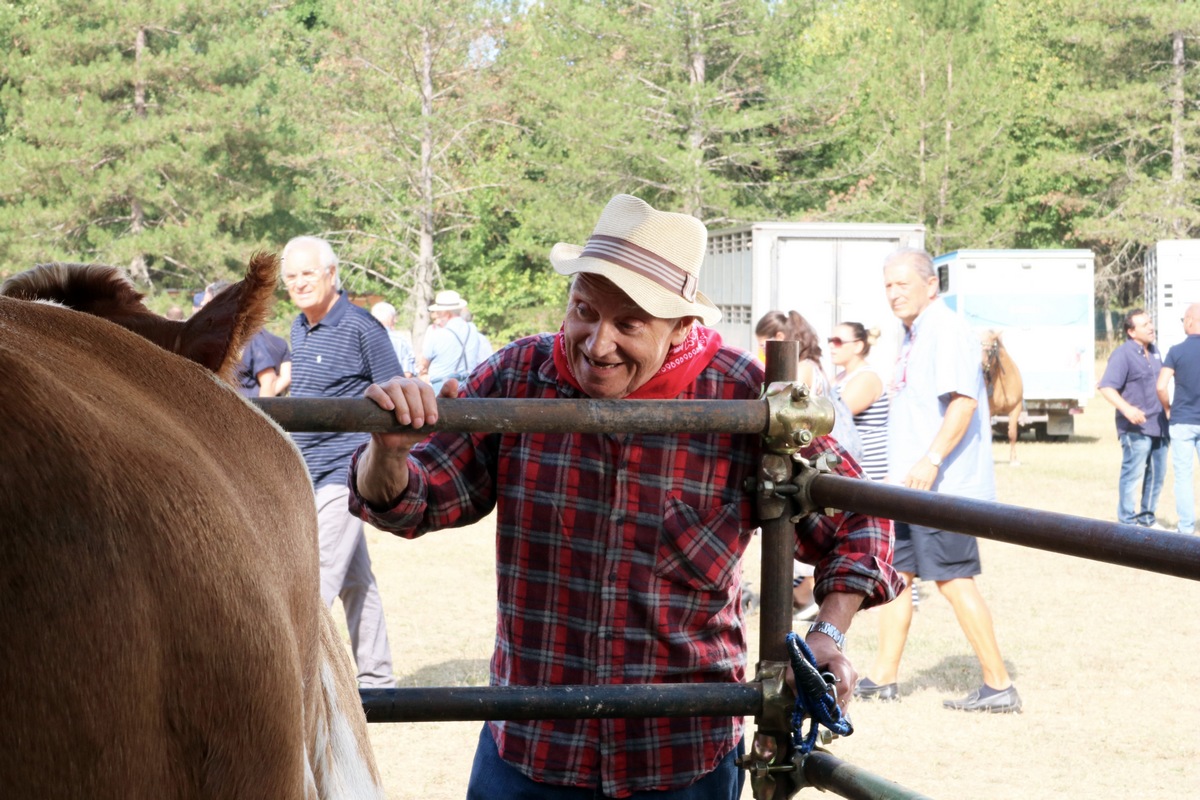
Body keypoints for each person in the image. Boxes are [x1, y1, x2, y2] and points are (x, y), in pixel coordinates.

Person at [350, 194, 901, 798]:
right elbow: (415, 501)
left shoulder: (747, 399)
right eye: (584, 309)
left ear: (682, 327)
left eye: (630, 324)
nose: (597, 342)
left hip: (677, 756)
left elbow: (860, 516)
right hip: (532, 750)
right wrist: (391, 451)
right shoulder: (518, 376)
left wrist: (829, 633)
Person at [854, 247, 1021, 714]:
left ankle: (999, 684)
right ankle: (882, 678)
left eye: (902, 284)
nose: (893, 293)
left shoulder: (945, 330)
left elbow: (964, 403)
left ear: (931, 286)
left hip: (943, 486)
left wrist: (930, 459)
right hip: (907, 488)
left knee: (953, 581)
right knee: (896, 577)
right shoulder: (912, 334)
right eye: (888, 285)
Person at [282, 235, 399, 689]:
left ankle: (297, 681)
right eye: (291, 277)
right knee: (356, 579)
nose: (299, 283)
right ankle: (377, 680)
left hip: (345, 472)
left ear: (332, 275)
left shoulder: (362, 327)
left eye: (308, 273)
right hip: (305, 471)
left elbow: (396, 391)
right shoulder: (297, 327)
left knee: (316, 580)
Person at [1098, 308, 1168, 529]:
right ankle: (1127, 524)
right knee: (1133, 474)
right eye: (1145, 324)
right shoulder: (1122, 354)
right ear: (1131, 331)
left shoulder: (1155, 352)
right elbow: (1106, 387)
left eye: (1150, 322)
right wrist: (1127, 409)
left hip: (1160, 426)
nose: (1150, 327)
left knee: (1157, 475)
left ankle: (1147, 519)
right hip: (1135, 428)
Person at [1157, 303, 1200, 534]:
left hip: (1182, 420)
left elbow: (1161, 386)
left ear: (1191, 321)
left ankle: (1186, 528)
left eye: (1183, 319)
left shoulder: (1176, 351)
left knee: (1183, 478)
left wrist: (1167, 408)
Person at [829, 322, 888, 482]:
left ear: (858, 346)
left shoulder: (866, 378)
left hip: (868, 474)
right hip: (850, 471)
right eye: (830, 340)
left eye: (838, 341)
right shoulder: (840, 378)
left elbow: (832, 416)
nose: (832, 346)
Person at [418, 290, 493, 393]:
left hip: (440, 388)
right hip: (469, 388)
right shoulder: (472, 330)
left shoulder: (438, 334)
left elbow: (424, 363)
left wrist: (423, 372)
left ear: (446, 313)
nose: (437, 315)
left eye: (439, 312)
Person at [235, 328, 292, 397]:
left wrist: (261, 403)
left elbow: (268, 381)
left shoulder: (255, 340)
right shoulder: (281, 342)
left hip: (249, 402)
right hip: (260, 401)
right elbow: (286, 377)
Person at [371, 301, 417, 378]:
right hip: (395, 387)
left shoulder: (361, 340)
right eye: (394, 318)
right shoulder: (400, 341)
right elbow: (407, 373)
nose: (396, 321)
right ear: (390, 319)